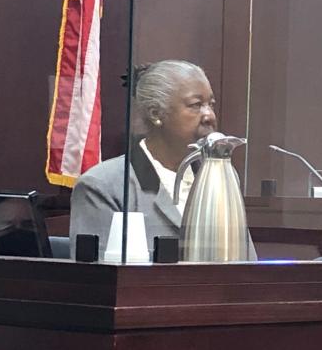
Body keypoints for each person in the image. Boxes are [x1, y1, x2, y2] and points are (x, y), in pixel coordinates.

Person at [69, 60, 256, 258]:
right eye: (196, 105)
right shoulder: (104, 186)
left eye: (211, 104)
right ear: (156, 114)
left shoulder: (220, 174)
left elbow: (248, 263)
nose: (209, 115)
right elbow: (99, 279)